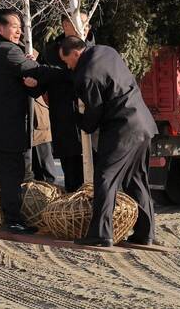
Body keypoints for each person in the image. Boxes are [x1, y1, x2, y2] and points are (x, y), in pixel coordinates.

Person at [58, 35, 158, 247]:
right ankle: (146, 234)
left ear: (76, 54)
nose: (68, 67)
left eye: (67, 62)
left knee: (105, 178)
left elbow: (94, 112)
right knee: (137, 180)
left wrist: (80, 121)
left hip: (122, 128)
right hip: (143, 122)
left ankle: (102, 234)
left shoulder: (86, 75)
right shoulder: (107, 50)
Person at [0, 8, 57, 234]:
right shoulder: (7, 51)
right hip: (6, 130)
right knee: (10, 177)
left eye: (20, 27)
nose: (18, 31)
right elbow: (35, 71)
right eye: (13, 27)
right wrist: (66, 73)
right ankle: (12, 220)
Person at [38, 12, 94, 192]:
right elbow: (44, 78)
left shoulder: (94, 49)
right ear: (65, 26)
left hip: (92, 122)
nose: (83, 27)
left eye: (86, 23)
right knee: (72, 175)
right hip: (65, 122)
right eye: (78, 23)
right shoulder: (52, 52)